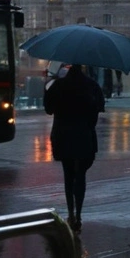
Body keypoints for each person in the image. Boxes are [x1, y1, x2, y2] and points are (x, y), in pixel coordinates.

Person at [43, 64, 105, 233]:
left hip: (63, 135)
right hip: (84, 135)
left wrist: (46, 86)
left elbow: (48, 109)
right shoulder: (92, 86)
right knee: (81, 175)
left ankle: (71, 213)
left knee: (68, 174)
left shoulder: (59, 86)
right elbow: (97, 111)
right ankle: (79, 214)